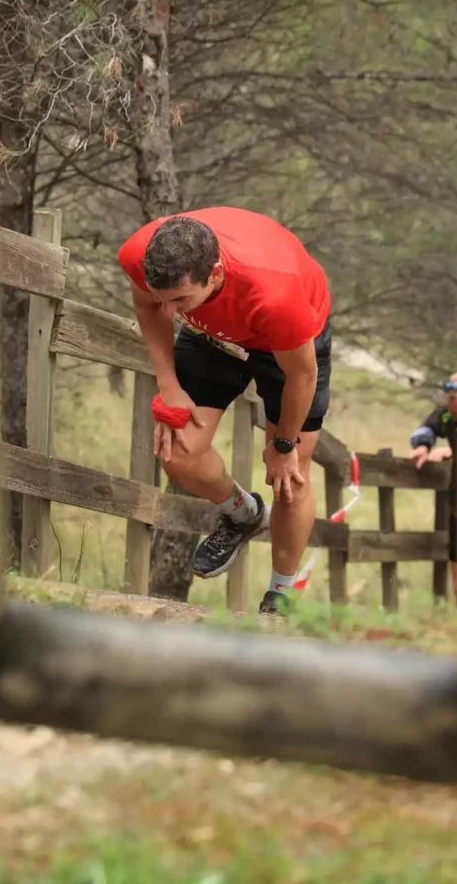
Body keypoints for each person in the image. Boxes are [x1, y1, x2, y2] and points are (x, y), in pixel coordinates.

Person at [118, 207, 332, 615]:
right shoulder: (141, 255)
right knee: (177, 452)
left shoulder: (275, 296)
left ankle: (280, 597)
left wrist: (285, 444)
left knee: (290, 477)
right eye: (164, 297)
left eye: (179, 299)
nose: (169, 310)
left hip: (285, 341)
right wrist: (169, 384)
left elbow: (301, 376)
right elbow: (149, 308)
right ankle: (243, 514)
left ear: (215, 273)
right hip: (210, 333)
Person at [408, 371, 457, 612]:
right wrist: (423, 446)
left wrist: (452, 452)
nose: (452, 398)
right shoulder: (445, 415)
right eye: (449, 393)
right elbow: (425, 429)